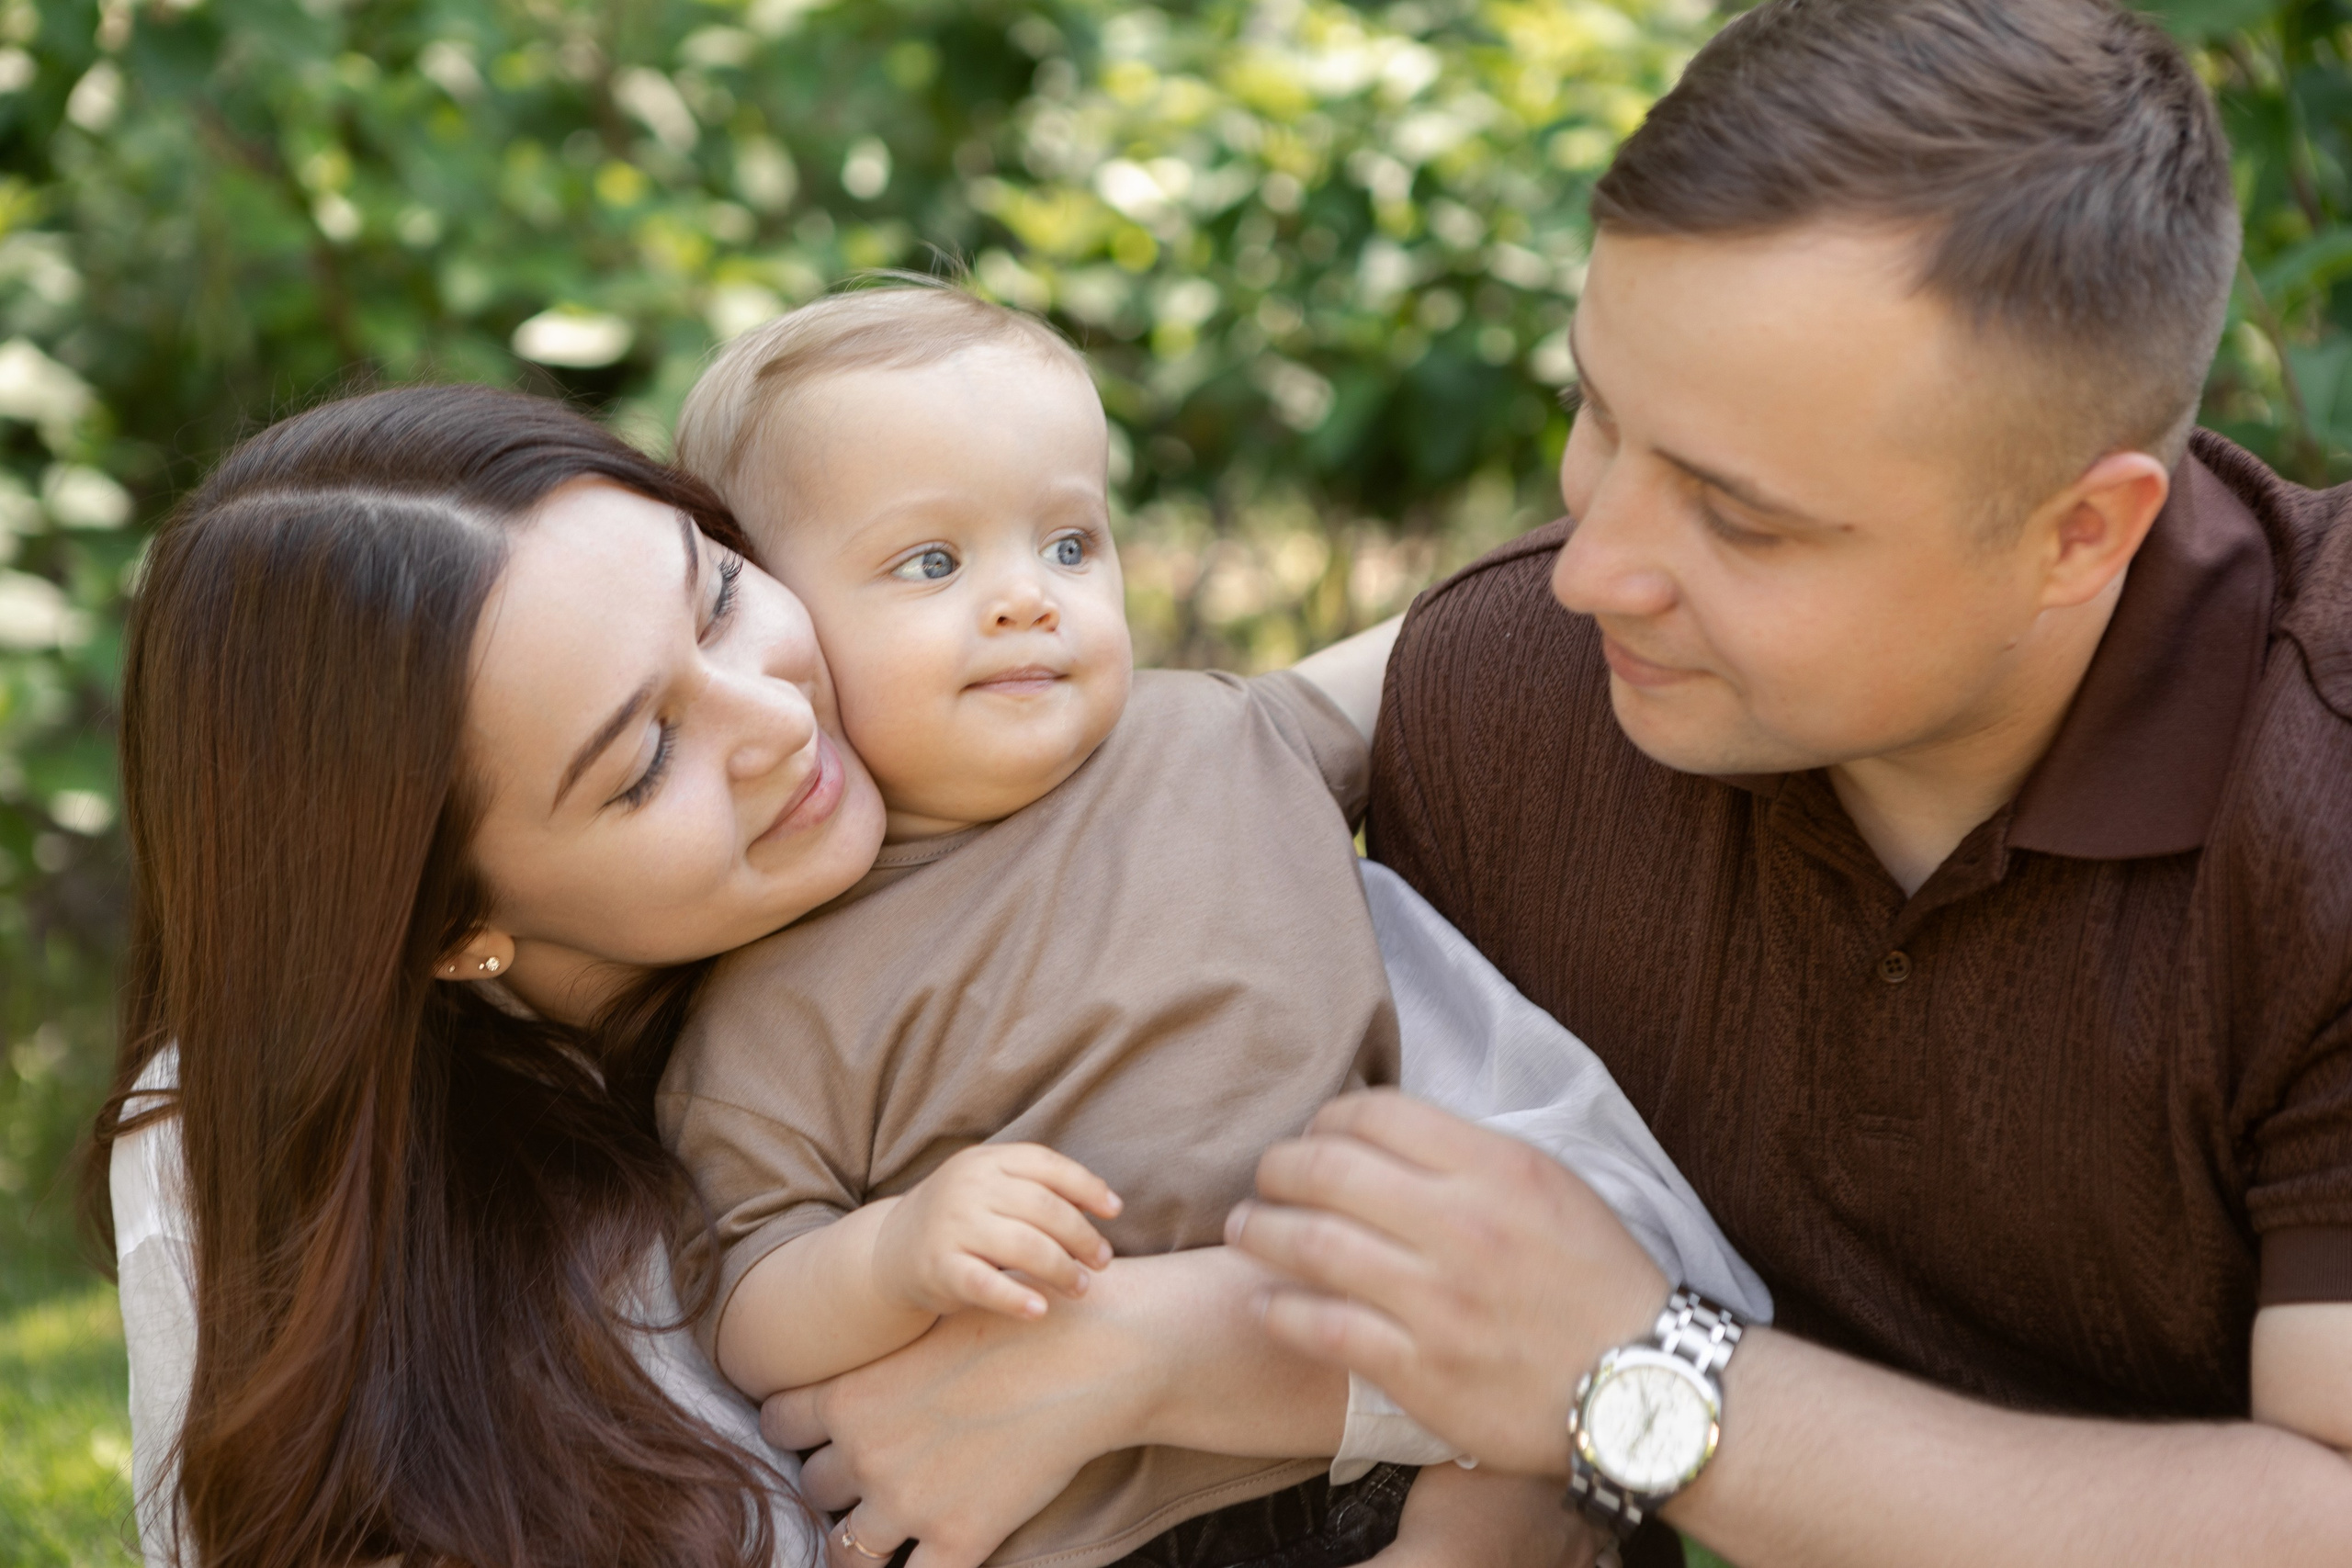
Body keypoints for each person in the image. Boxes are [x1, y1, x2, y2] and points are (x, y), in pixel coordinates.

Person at [1213, 2, 2352, 1564]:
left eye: (1741, 523)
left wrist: (1641, 1368)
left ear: (2084, 533)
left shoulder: (2326, 799)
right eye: (1595, 414)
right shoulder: (1509, 705)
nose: (1592, 570)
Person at [662, 286, 1764, 1568]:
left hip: (1387, 1437)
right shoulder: (781, 981)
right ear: (784, 613)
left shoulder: (1219, 734)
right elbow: (742, 1299)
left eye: (1071, 544)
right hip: (1090, 1515)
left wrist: (1646, 531)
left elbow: (1441, 650)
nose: (1029, 599)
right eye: (934, 563)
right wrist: (895, 1253)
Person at [97, 384, 891, 1568]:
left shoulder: (999, 746)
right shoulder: (247, 1150)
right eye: (646, 758)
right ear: (448, 923)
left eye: (720, 595)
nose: (777, 715)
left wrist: (1165, 1365)